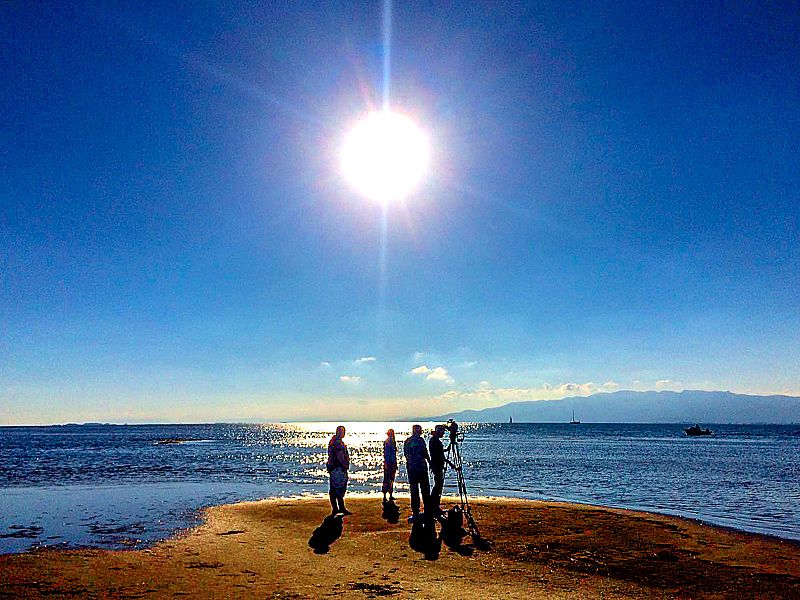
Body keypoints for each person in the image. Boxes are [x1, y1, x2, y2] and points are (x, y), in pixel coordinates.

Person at [403, 424, 431, 518]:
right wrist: (430, 462)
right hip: (421, 468)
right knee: (425, 490)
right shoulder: (420, 440)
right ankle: (427, 509)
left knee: (414, 491)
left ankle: (415, 511)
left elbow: (406, 455)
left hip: (411, 469)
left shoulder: (407, 441)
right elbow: (425, 453)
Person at [326, 425, 351, 516]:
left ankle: (337, 508)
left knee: (334, 489)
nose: (344, 433)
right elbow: (339, 455)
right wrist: (345, 465)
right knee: (339, 489)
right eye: (342, 431)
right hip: (338, 468)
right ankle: (339, 508)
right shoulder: (338, 443)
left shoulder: (334, 441)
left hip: (334, 468)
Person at [429, 424, 452, 516]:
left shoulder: (434, 440)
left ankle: (434, 505)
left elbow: (440, 453)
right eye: (442, 432)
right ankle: (434, 505)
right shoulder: (435, 441)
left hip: (437, 465)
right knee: (438, 486)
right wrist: (449, 463)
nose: (443, 434)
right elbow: (439, 455)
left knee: (438, 485)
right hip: (437, 466)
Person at [382, 429, 397, 503]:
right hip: (390, 463)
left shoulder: (388, 441)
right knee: (389, 479)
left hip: (388, 463)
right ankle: (387, 495)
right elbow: (390, 454)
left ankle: (387, 495)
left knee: (388, 479)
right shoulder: (390, 442)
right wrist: (393, 463)